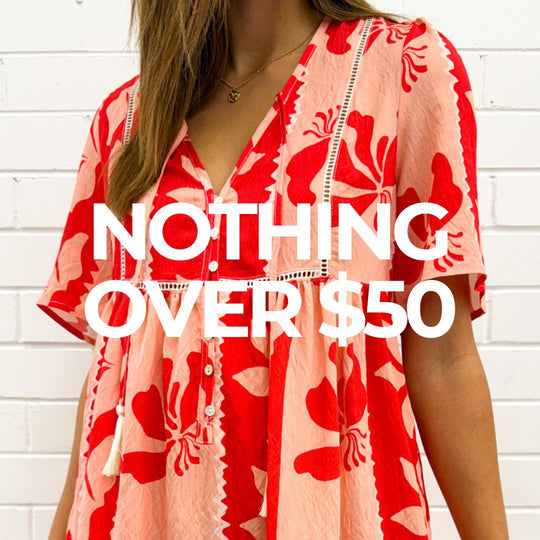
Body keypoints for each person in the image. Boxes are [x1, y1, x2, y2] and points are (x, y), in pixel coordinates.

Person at [38, 1, 509, 538]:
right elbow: (113, 369)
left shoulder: (401, 69)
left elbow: (443, 354)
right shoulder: (125, 122)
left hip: (329, 513)